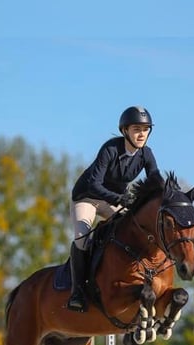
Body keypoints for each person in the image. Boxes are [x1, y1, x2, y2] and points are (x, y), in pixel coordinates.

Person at [66, 106, 164, 312]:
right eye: (136, 129)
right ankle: (77, 291)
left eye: (145, 129)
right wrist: (121, 199)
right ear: (124, 131)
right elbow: (94, 185)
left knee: (133, 228)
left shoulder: (146, 154)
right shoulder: (111, 149)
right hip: (87, 197)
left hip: (114, 200)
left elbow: (155, 180)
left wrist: (167, 196)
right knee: (82, 238)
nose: (141, 134)